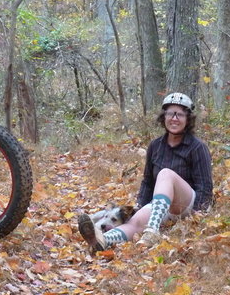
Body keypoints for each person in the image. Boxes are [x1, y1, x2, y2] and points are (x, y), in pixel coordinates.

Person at [77, 92, 213, 252]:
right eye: (170, 113)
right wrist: (140, 206)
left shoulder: (197, 147)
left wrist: (197, 218)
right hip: (161, 207)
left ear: (187, 119)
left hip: (187, 203)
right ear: (164, 117)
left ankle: (152, 230)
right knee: (134, 222)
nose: (174, 118)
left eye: (180, 114)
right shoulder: (156, 146)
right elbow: (148, 181)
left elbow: (205, 187)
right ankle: (102, 240)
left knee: (165, 174)